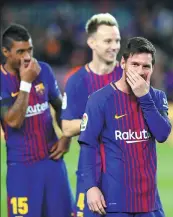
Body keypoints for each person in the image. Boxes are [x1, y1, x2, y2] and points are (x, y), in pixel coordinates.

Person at [78, 37, 171, 217]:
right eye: (134, 64)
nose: (140, 71)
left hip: (149, 202)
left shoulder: (157, 97)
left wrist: (145, 97)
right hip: (114, 201)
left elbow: (162, 134)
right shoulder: (100, 100)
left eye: (146, 66)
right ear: (122, 63)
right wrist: (90, 187)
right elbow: (88, 145)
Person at [0, 24, 73, 217]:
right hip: (22, 169)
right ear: (5, 52)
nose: (27, 57)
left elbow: (59, 106)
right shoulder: (2, 80)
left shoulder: (44, 71)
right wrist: (26, 82)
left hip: (52, 163)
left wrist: (66, 135)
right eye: (20, 51)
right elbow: (13, 121)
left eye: (30, 50)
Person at [61, 13, 122, 217]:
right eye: (108, 41)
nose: (114, 46)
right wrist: (101, 119)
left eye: (117, 40)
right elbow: (67, 127)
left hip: (124, 175)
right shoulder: (77, 81)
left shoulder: (129, 77)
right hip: (90, 175)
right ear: (92, 42)